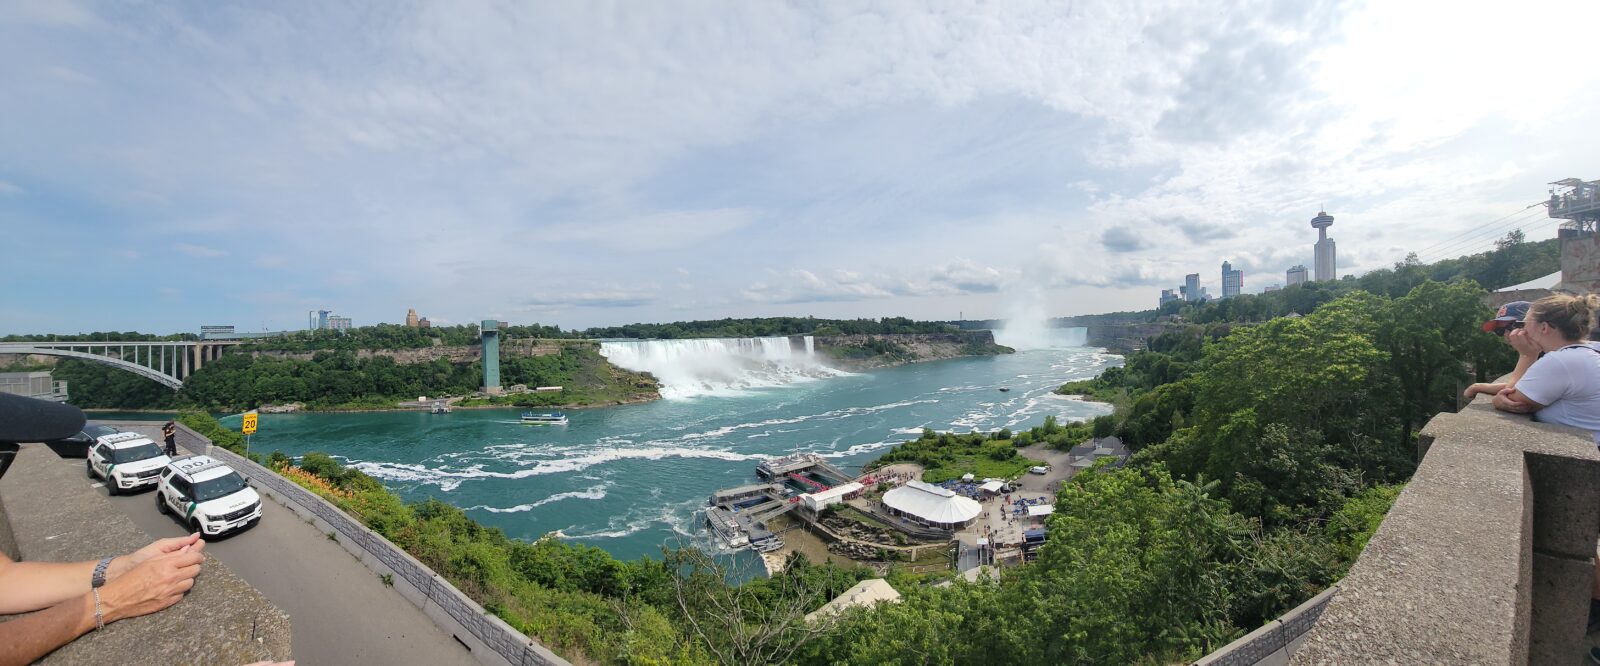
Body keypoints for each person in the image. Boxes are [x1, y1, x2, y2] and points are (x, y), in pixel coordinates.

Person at [1463, 294, 1600, 442]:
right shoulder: (1589, 351)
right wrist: (1483, 387)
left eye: (1523, 323)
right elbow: (1531, 387)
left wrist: (1527, 355)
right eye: (1501, 331)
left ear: (1544, 327)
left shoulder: (1559, 361)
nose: (1516, 332)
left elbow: (1511, 396)